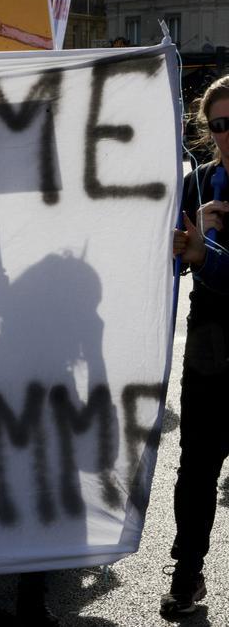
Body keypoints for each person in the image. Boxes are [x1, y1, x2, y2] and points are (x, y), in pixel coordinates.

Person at [164, 74, 229, 618]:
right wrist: (183, 242)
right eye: (219, 125)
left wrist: (207, 254)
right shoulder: (199, 183)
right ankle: (186, 575)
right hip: (208, 348)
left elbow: (204, 261)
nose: (228, 133)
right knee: (197, 469)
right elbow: (169, 260)